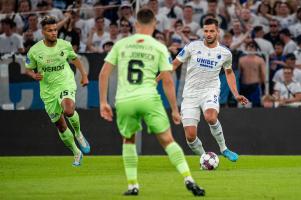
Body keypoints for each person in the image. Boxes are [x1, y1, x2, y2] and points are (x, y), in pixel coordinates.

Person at [99, 8, 205, 197]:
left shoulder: (121, 44)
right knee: (167, 141)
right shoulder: (159, 47)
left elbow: (104, 73)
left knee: (128, 139)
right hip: (148, 98)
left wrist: (103, 102)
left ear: (136, 25)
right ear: (154, 25)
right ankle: (189, 179)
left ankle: (133, 186)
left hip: (125, 100)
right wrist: (174, 109)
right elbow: (167, 80)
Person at [159, 18, 249, 162]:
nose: (208, 34)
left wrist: (236, 94)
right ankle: (205, 158)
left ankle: (224, 149)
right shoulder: (192, 46)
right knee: (190, 135)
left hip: (210, 90)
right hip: (190, 94)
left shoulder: (225, 53)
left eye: (211, 31)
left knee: (210, 117)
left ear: (217, 32)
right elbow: (174, 65)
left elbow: (229, 72)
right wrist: (156, 80)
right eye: (206, 31)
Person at [25, 16, 90, 167]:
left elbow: (75, 59)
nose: (54, 33)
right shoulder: (35, 51)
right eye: (50, 30)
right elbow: (28, 69)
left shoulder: (65, 45)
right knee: (60, 125)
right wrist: (33, 74)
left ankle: (79, 133)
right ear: (43, 32)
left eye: (55, 30)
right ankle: (76, 152)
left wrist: (84, 75)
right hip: (47, 90)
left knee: (68, 110)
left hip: (65, 82)